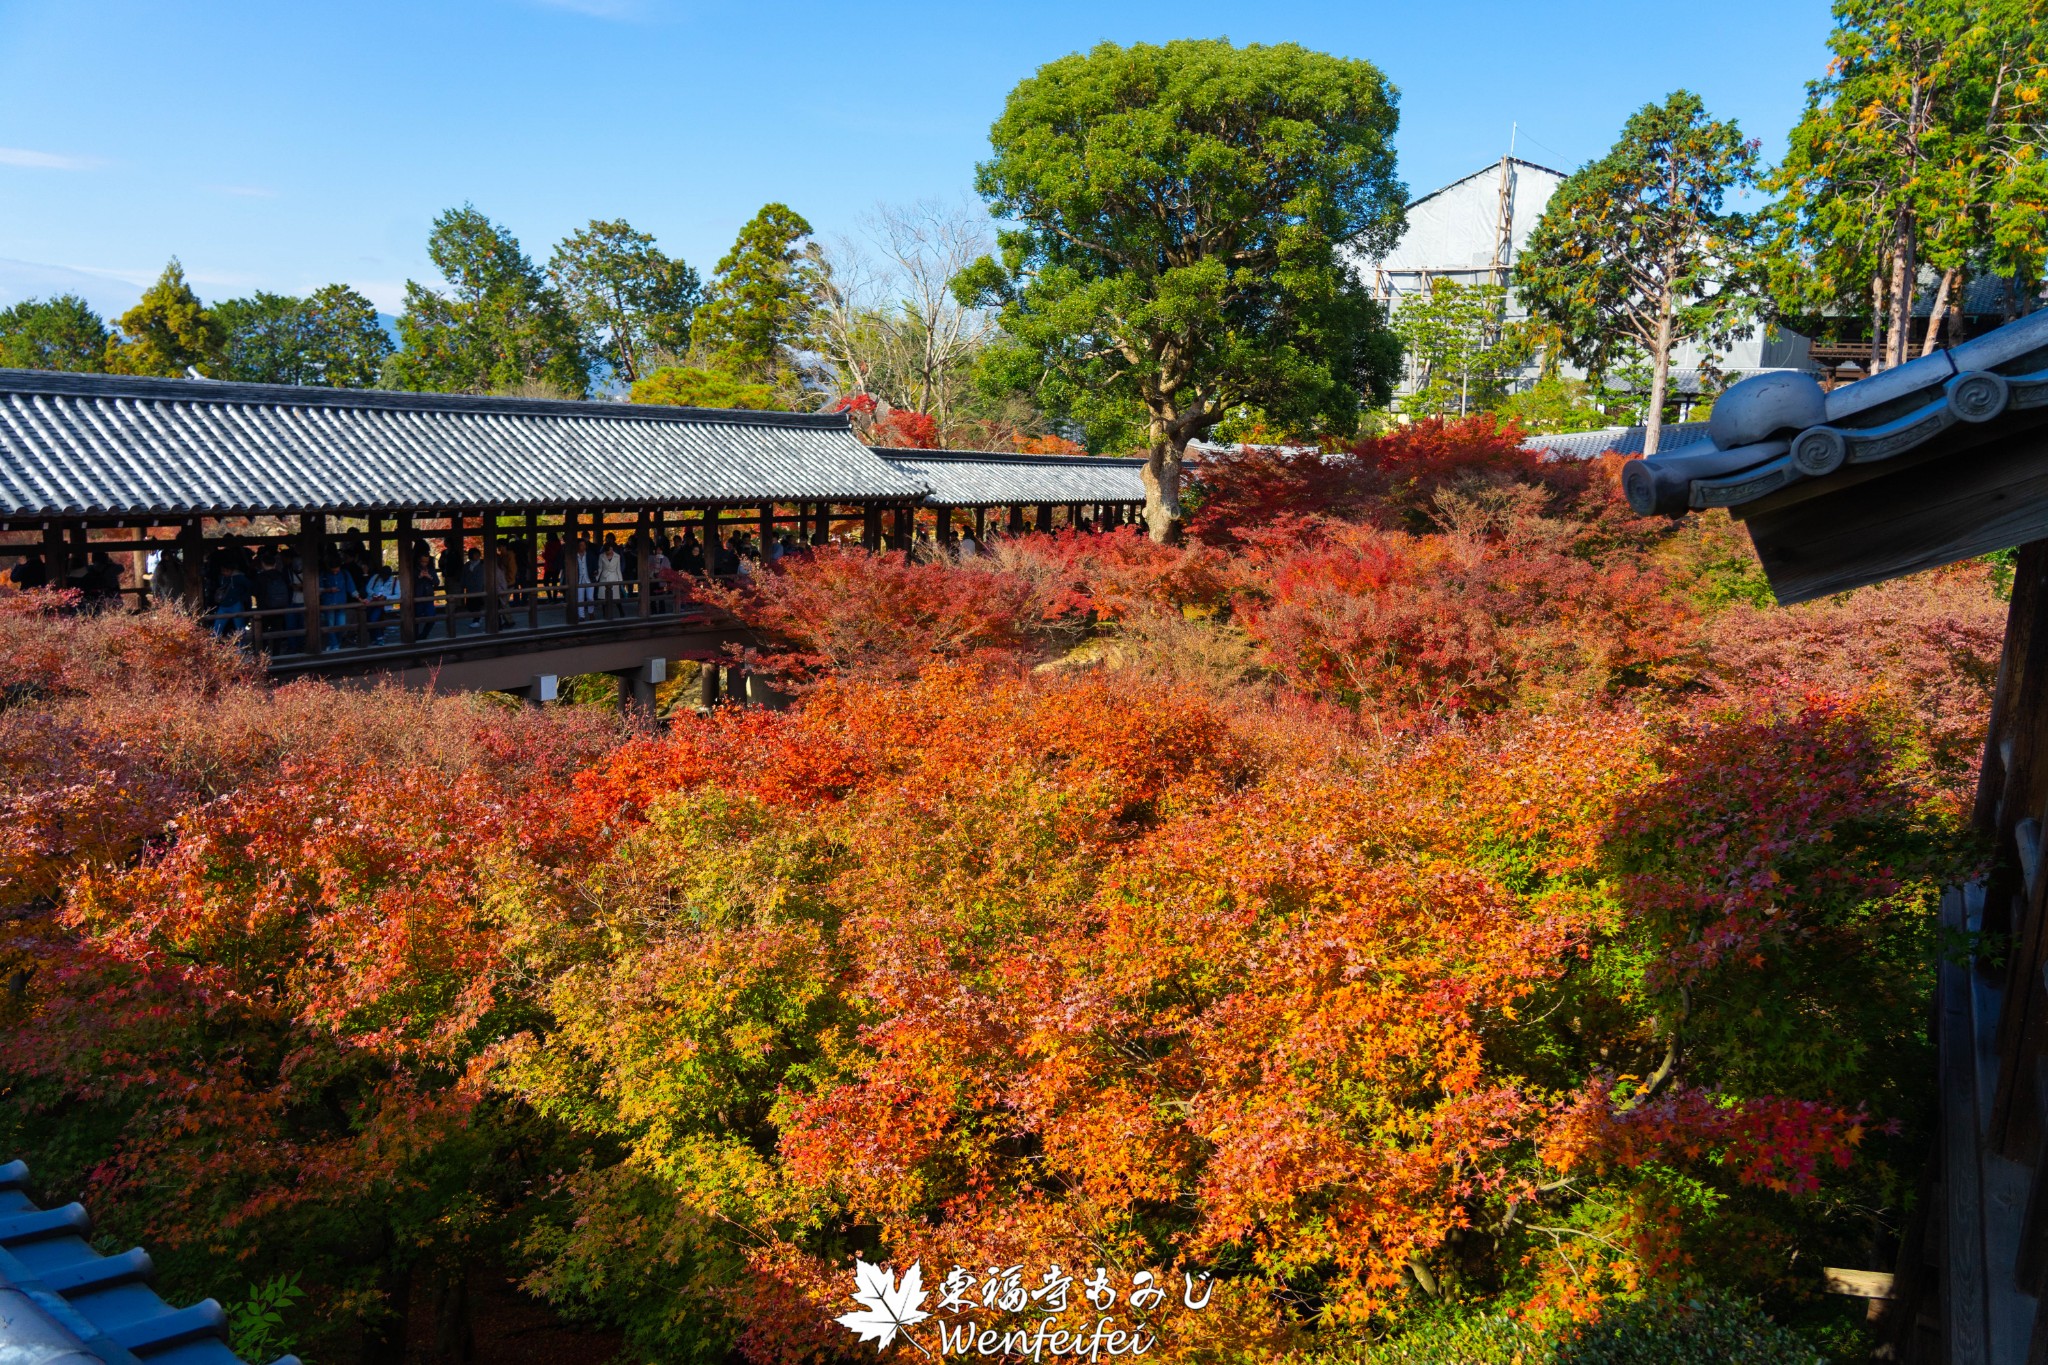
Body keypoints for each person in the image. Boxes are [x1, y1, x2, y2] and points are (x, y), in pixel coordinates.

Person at [253, 548, 292, 649]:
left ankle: (264, 653)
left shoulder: (260, 577)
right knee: (277, 630)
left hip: (264, 607)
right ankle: (276, 652)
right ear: (275, 563)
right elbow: (288, 588)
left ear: (263, 564)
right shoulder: (281, 575)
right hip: (279, 607)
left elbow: (254, 591)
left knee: (263, 630)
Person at [213, 558, 254, 638]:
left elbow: (251, 587)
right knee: (217, 627)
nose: (223, 572)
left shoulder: (240, 578)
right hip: (224, 605)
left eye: (225, 571)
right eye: (222, 571)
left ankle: (240, 648)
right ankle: (213, 646)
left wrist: (243, 598)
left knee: (239, 627)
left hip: (236, 604)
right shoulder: (222, 578)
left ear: (231, 570)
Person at [365, 559, 401, 643]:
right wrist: (373, 594)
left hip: (383, 605)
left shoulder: (395, 581)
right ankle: (374, 637)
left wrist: (386, 597)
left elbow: (398, 595)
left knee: (374, 618)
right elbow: (368, 588)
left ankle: (378, 637)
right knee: (367, 618)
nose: (383, 577)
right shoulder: (376, 577)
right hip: (371, 602)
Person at [595, 535, 624, 618]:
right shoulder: (601, 556)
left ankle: (621, 612)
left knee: (616, 597)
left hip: (614, 577)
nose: (611, 551)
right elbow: (600, 568)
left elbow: (618, 569)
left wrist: (620, 580)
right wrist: (597, 578)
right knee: (604, 598)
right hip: (604, 577)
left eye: (612, 549)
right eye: (609, 550)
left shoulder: (617, 556)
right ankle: (605, 614)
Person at [461, 547, 487, 630]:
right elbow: (463, 576)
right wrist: (463, 585)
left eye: (478, 554)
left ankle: (477, 620)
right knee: (470, 606)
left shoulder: (483, 564)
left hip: (480, 588)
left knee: (477, 605)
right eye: (475, 554)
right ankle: (477, 619)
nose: (477, 556)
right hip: (470, 588)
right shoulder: (467, 565)